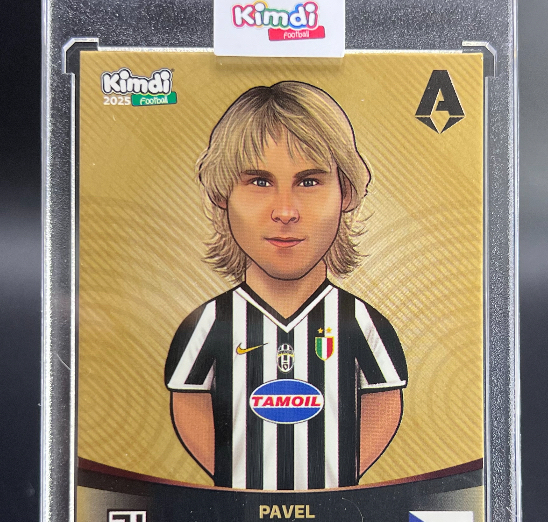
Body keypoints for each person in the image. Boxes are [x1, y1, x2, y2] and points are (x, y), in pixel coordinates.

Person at [165, 81, 407, 490]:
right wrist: (233, 475)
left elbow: (384, 400)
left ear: (346, 193)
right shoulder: (209, 322)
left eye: (309, 182)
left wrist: (337, 476)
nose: (285, 211)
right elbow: (189, 401)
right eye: (259, 182)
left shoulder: (360, 321)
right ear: (222, 194)